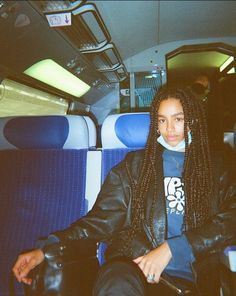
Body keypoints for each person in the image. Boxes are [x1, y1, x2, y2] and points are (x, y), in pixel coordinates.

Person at [13, 86, 236, 296]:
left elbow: (231, 219)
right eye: (162, 120)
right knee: (116, 281)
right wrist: (47, 248)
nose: (169, 128)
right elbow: (101, 220)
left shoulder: (217, 166)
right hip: (132, 270)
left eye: (178, 119)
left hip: (190, 279)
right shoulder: (135, 166)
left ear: (193, 120)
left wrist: (173, 248)